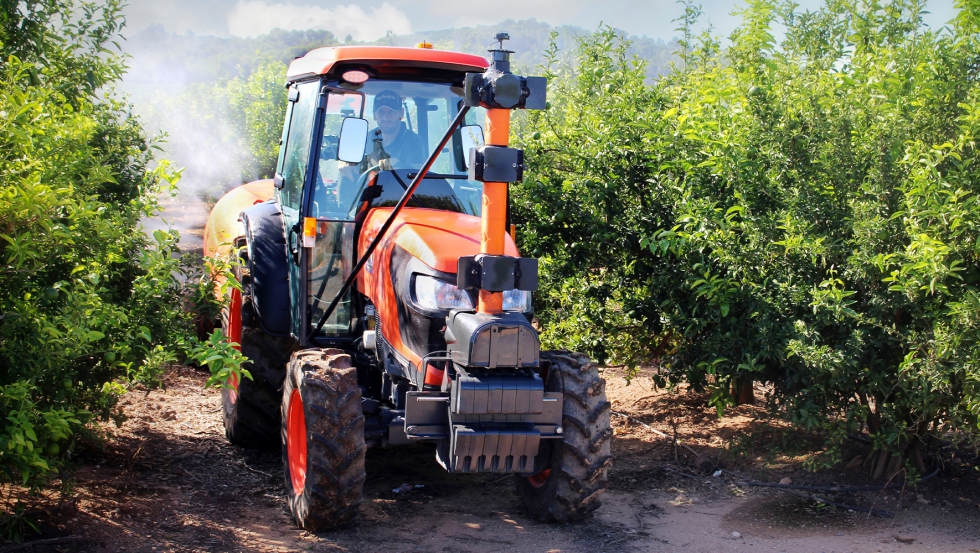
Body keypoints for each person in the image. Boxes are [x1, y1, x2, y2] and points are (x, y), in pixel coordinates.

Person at [367, 89, 425, 170]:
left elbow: (419, 171)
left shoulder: (413, 141)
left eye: (391, 111)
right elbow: (355, 161)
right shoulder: (367, 139)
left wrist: (398, 165)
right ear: (374, 115)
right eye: (381, 112)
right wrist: (345, 164)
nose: (386, 117)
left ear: (401, 113)